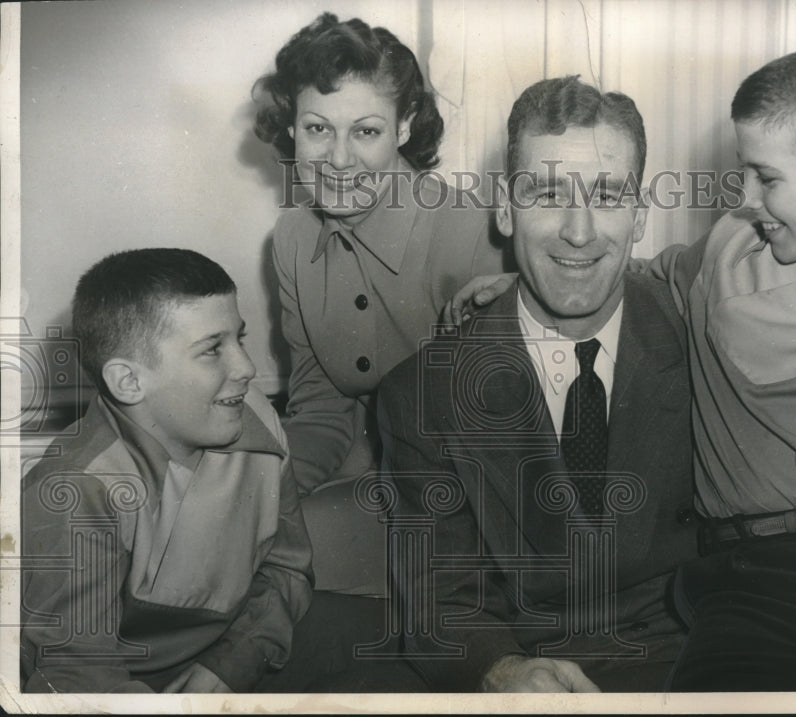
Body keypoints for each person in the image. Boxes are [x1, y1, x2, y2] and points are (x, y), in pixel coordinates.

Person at [449, 45, 796, 691]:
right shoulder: (733, 245)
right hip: (752, 572)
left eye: (765, 176)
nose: (745, 196)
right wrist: (528, 278)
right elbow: (637, 271)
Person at [376, 75, 698, 692]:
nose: (578, 232)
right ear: (504, 208)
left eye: (606, 196)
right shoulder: (422, 394)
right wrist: (505, 671)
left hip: (696, 670)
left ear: (640, 216)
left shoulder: (702, 342)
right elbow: (437, 602)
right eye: (548, 194)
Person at [252, 12, 507, 596]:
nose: (338, 160)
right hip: (372, 480)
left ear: (403, 126)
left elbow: (512, 431)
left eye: (364, 131)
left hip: (480, 506)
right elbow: (320, 403)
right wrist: (269, 493)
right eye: (318, 128)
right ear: (291, 126)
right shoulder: (291, 239)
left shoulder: (473, 229)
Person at [20, 249, 313, 693]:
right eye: (213, 349)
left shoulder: (257, 419)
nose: (247, 369)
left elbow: (289, 570)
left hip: (226, 660)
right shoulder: (76, 490)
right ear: (129, 381)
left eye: (240, 339)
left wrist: (231, 664)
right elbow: (77, 677)